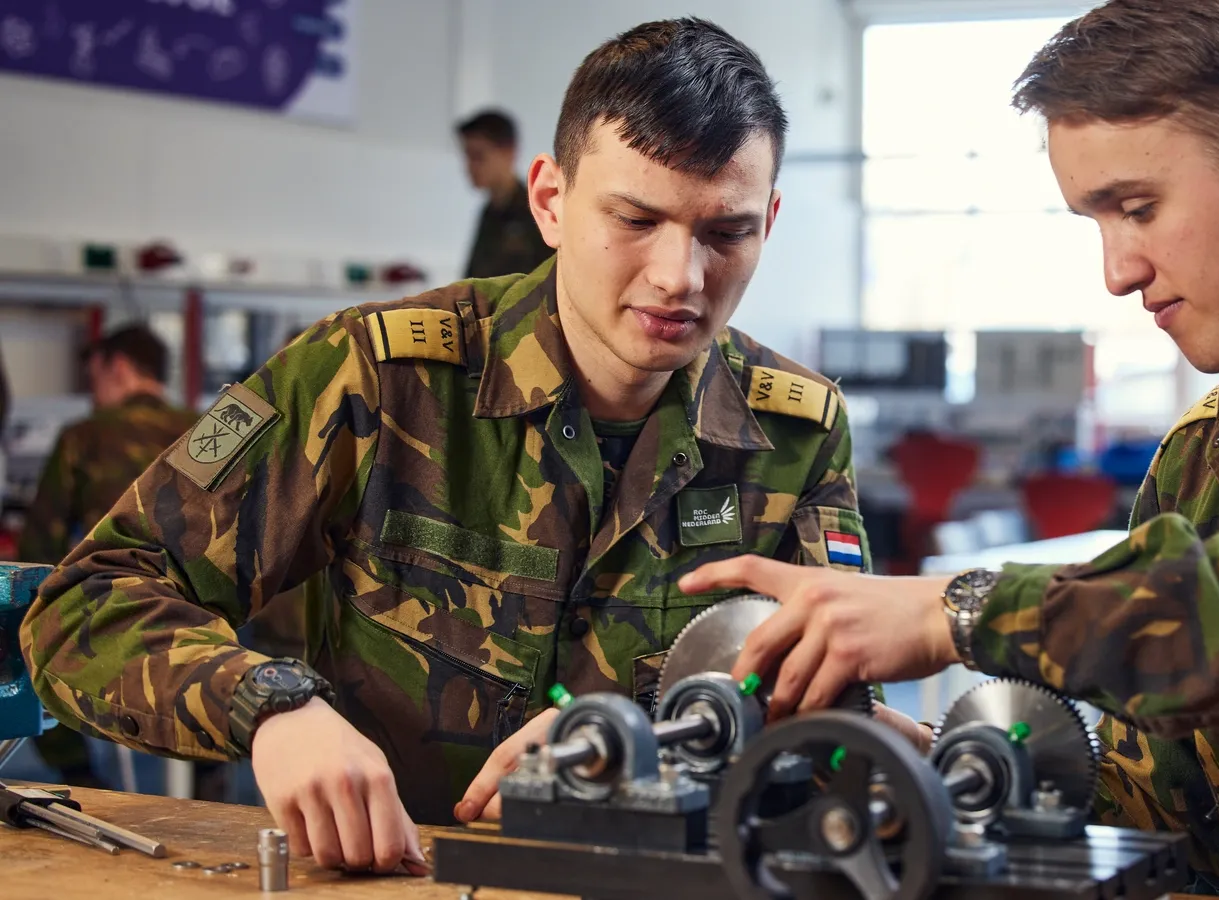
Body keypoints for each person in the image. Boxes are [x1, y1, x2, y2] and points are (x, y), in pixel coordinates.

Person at [23, 18, 875, 877]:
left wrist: (651, 747)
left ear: (768, 220)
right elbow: (84, 606)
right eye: (635, 218)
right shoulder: (375, 378)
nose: (679, 276)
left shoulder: (795, 433)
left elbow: (844, 726)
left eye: (725, 234)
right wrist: (272, 706)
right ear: (549, 199)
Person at [680, 1, 1219, 897]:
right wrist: (934, 771)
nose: (1117, 271)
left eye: (1140, 208)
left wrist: (957, 613)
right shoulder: (1201, 467)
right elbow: (1153, 835)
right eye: (1097, 220)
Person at [16, 325, 197, 787]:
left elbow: (41, 546)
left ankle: (87, 788)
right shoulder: (203, 430)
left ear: (118, 366)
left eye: (94, 375)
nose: (93, 390)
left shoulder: (85, 436)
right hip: (205, 626)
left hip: (111, 620)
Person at [458, 109, 553, 279]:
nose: (470, 166)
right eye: (467, 156)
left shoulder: (535, 210)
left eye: (478, 156)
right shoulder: (490, 211)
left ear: (509, 153)